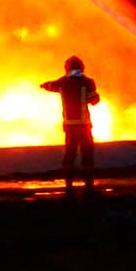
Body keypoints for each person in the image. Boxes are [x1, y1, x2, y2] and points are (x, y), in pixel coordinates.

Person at [41, 56, 101, 191]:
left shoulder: (62, 82)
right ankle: (89, 184)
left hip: (69, 126)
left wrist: (43, 85)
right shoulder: (88, 82)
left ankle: (69, 184)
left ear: (67, 68)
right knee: (87, 153)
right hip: (84, 125)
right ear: (81, 67)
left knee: (70, 153)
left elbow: (50, 85)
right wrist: (93, 97)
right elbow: (94, 100)